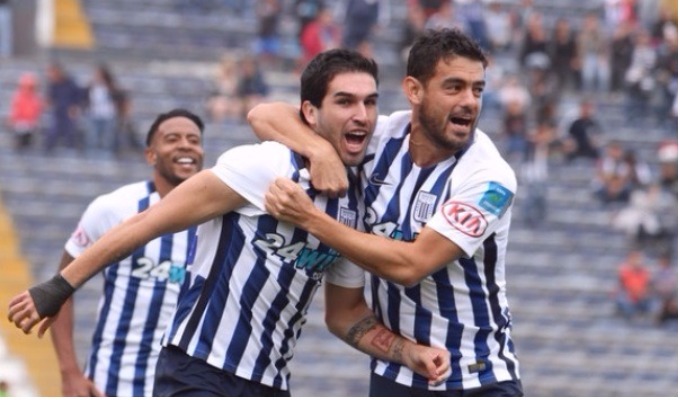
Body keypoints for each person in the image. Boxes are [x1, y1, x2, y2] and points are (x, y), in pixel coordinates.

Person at [8, 49, 450, 397]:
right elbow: (148, 222)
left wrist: (405, 352)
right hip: (200, 371)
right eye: (345, 101)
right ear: (310, 113)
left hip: (271, 383)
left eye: (370, 102)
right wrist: (59, 286)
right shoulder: (266, 165)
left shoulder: (356, 201)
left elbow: (345, 314)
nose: (363, 115)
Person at [248, 28, 523, 396]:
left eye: (477, 89)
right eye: (454, 87)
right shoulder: (381, 138)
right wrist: (320, 150)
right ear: (414, 90)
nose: (469, 102)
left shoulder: (490, 178)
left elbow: (410, 266)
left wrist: (310, 218)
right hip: (394, 376)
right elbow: (263, 115)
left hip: (476, 380)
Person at [49, 109, 205, 396]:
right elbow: (61, 289)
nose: (186, 145)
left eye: (194, 140)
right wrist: (69, 371)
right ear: (151, 155)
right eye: (173, 139)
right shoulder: (113, 208)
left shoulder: (218, 219)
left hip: (188, 386)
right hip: (112, 383)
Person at [7, 72, 43, 151]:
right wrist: (13, 119)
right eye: (25, 86)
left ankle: (27, 145)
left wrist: (33, 120)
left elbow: (36, 111)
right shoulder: (18, 97)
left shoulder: (35, 98)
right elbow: (15, 111)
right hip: (20, 121)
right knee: (20, 128)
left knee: (29, 129)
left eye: (30, 87)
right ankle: (19, 145)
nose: (27, 89)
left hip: (31, 122)